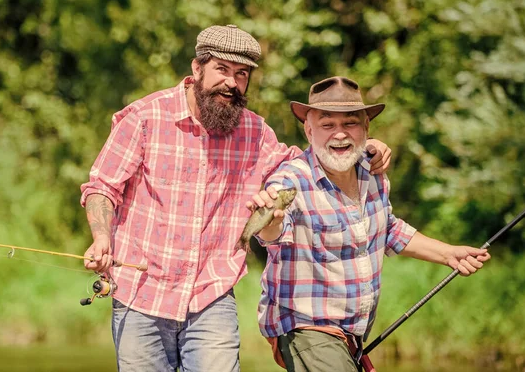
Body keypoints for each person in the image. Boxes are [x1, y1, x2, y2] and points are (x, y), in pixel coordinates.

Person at [79, 25, 392, 372]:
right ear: (197, 69)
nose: (231, 82)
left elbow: (311, 161)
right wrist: (102, 237)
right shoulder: (144, 118)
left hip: (212, 296)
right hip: (140, 295)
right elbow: (101, 188)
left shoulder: (255, 132)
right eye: (222, 70)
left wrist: (366, 149)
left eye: (241, 74)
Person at [247, 76, 491, 372]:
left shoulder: (372, 172)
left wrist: (448, 254)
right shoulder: (291, 180)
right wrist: (269, 222)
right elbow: (272, 234)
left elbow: (387, 229)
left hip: (351, 334)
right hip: (304, 328)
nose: (339, 134)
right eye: (327, 125)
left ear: (366, 129)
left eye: (350, 123)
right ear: (309, 131)